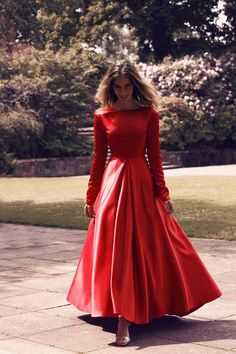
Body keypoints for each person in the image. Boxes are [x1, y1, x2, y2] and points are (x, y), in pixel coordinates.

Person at [66, 60, 222, 346]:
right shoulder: (102, 115)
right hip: (113, 185)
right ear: (110, 87)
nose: (123, 92)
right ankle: (122, 316)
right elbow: (99, 159)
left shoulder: (149, 114)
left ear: (135, 85)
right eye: (118, 86)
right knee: (117, 249)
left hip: (141, 182)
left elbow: (154, 156)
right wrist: (91, 196)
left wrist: (163, 193)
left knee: (151, 245)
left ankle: (136, 313)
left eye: (127, 86)